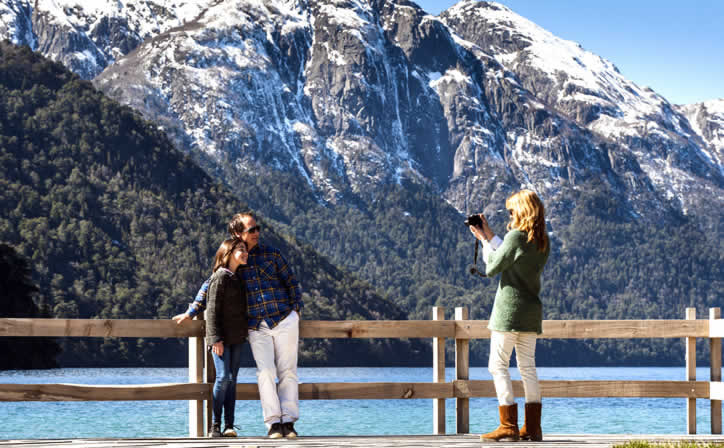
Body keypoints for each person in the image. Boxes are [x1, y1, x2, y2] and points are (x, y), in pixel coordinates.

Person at [469, 190, 550, 442]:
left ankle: (508, 426)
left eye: (512, 210)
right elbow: (510, 254)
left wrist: (483, 241)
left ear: (523, 210)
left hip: (509, 312)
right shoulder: (541, 241)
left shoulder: (516, 236)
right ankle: (533, 428)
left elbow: (494, 266)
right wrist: (489, 234)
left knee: (498, 365)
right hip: (531, 312)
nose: (510, 215)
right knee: (527, 368)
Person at [228, 212, 303, 439]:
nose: (257, 233)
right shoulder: (233, 258)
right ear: (237, 233)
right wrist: (193, 310)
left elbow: (292, 282)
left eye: (257, 228)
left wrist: (296, 311)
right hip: (256, 325)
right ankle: (273, 424)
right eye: (251, 229)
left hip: (284, 319)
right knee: (266, 372)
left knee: (288, 371)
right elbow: (214, 283)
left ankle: (288, 422)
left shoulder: (272, 254)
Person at [204, 238, 249, 438]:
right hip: (221, 339)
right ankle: (215, 426)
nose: (245, 252)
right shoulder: (220, 277)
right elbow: (212, 310)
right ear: (228, 253)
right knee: (222, 378)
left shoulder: (238, 277)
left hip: (237, 338)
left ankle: (229, 426)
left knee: (232, 380)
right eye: (240, 249)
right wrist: (215, 339)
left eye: (245, 249)